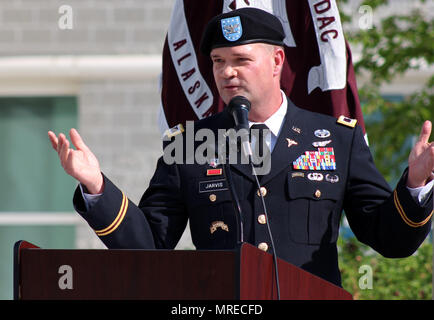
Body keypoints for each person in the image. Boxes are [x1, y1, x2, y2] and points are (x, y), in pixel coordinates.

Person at [48, 8, 434, 287]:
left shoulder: (336, 138)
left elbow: (389, 239)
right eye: (218, 61)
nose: (226, 72)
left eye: (240, 60)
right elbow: (149, 245)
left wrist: (415, 184)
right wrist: (98, 186)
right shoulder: (190, 144)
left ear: (276, 61)